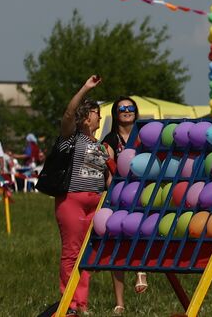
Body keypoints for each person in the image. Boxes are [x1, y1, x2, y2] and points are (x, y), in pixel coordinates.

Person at [52, 75, 112, 317]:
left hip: (95, 203)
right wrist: (85, 89)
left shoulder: (100, 145)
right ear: (87, 116)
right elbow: (68, 114)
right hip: (72, 201)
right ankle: (70, 304)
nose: (100, 116)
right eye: (97, 112)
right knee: (71, 252)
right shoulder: (71, 138)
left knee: (86, 255)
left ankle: (82, 304)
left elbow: (107, 176)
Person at [101, 97, 148, 313]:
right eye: (122, 109)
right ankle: (119, 302)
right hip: (119, 194)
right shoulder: (110, 139)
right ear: (116, 113)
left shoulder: (144, 137)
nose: (127, 111)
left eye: (131, 108)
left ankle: (140, 271)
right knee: (116, 245)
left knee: (138, 231)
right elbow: (110, 171)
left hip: (142, 193)